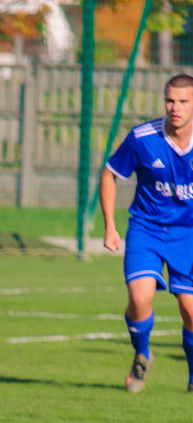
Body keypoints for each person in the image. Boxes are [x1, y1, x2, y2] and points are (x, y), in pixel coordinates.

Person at [99, 73, 193, 393]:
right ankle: (141, 354)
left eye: (183, 101)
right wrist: (110, 226)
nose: (175, 107)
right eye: (170, 100)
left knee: (190, 310)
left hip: (188, 234)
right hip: (146, 229)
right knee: (140, 299)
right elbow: (110, 174)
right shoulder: (142, 137)